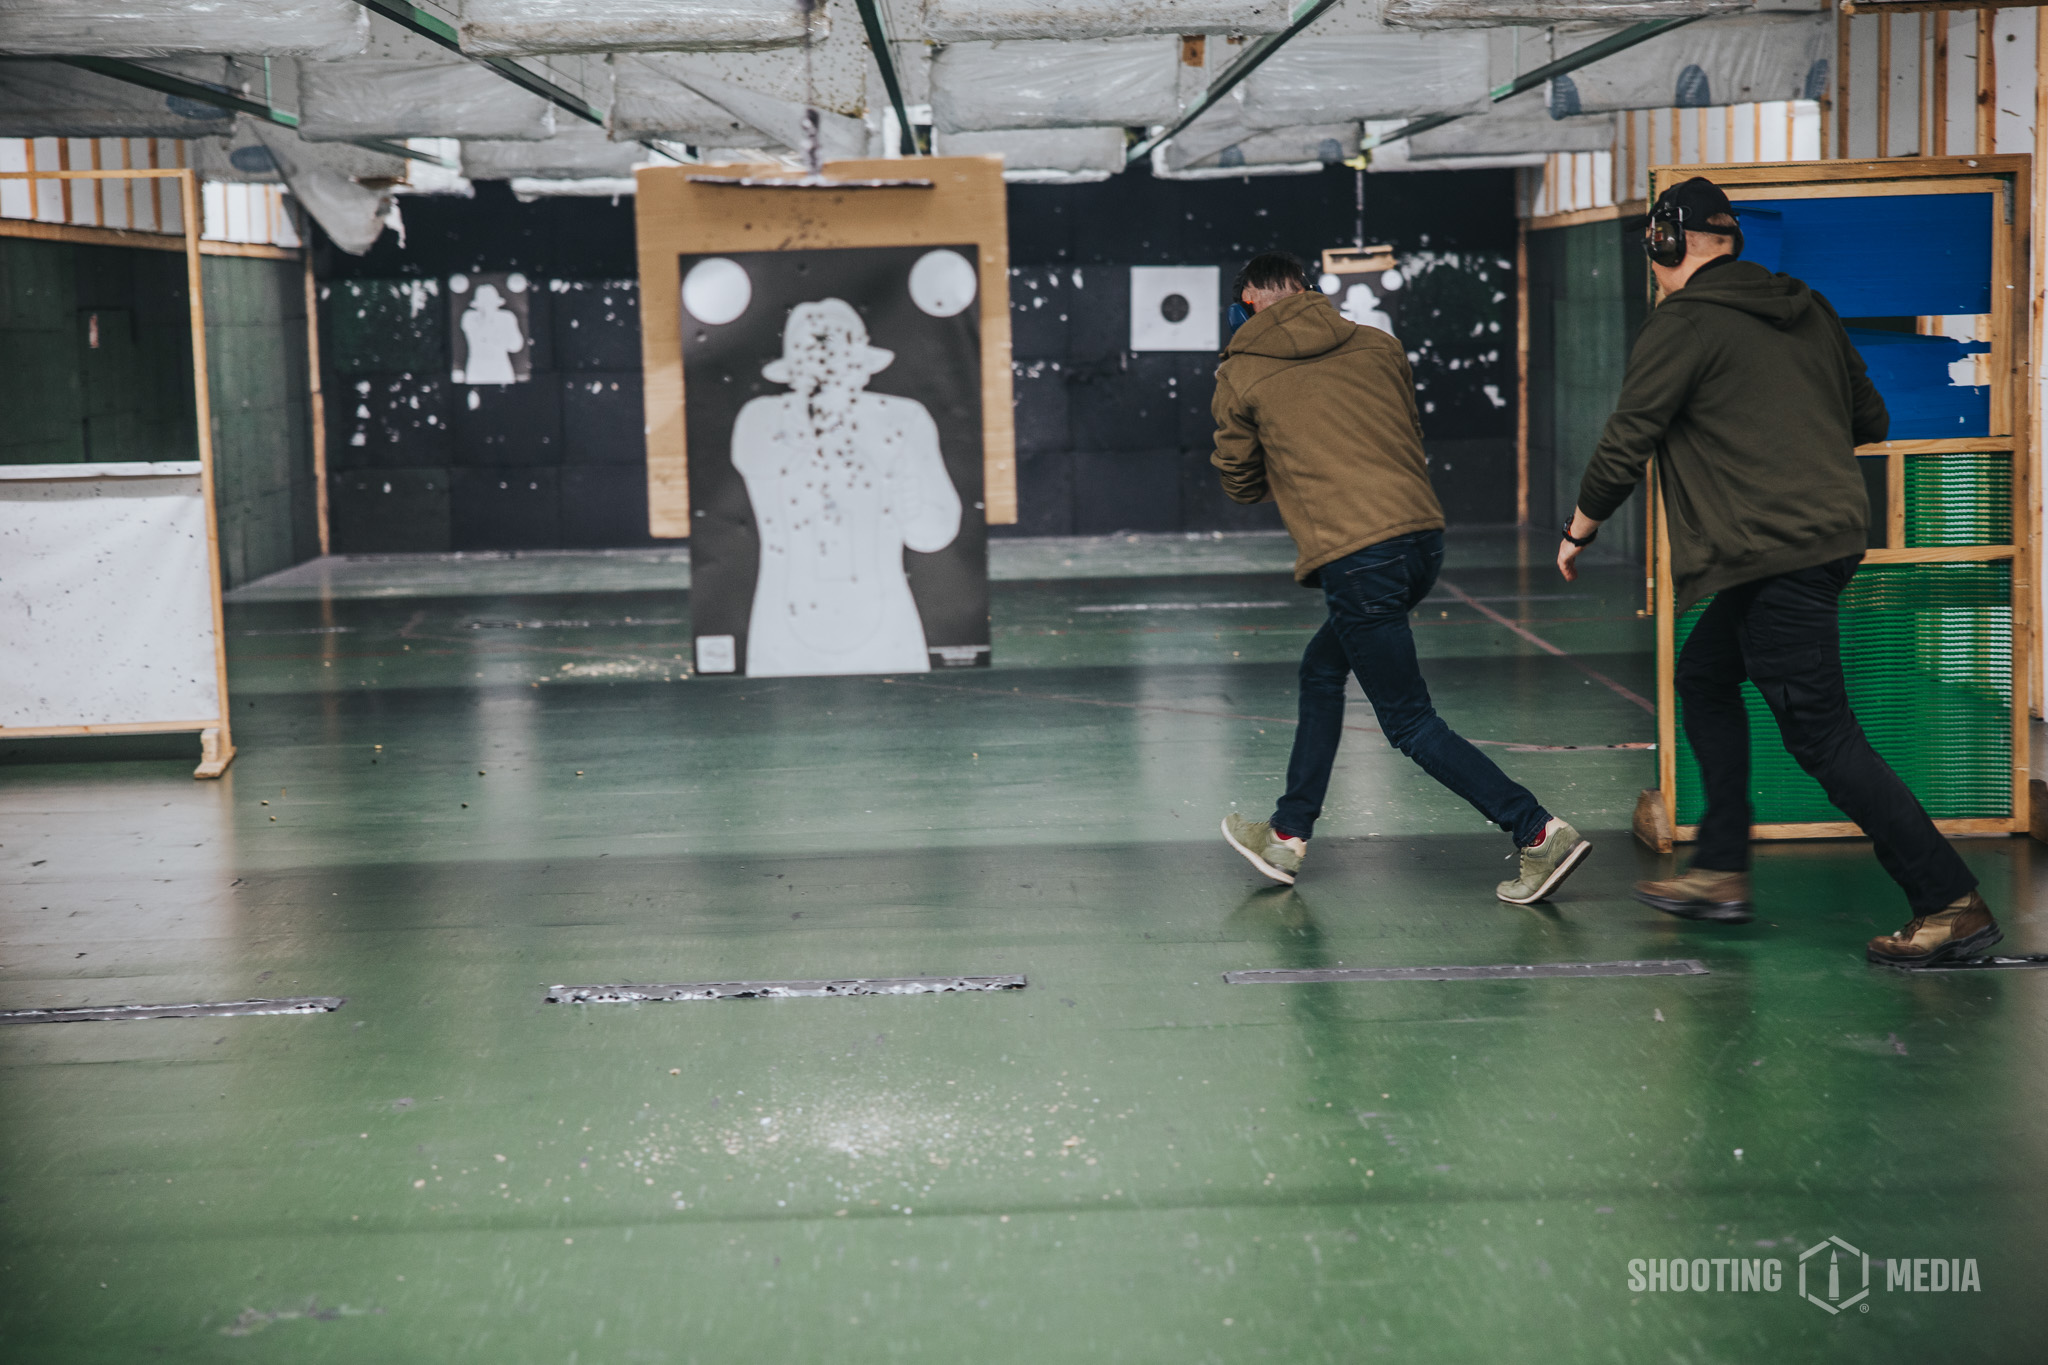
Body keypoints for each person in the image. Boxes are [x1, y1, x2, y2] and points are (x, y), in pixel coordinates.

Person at [1559, 176, 1999, 966]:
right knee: (1704, 674)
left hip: (1775, 553)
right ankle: (1722, 867)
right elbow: (1872, 419)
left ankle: (1949, 901)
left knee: (1824, 737)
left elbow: (1628, 438)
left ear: (1668, 242)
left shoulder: (1682, 323)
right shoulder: (1808, 306)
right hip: (1820, 540)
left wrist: (1579, 528)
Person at [1212, 251, 1591, 902]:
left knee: (1411, 724)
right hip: (1420, 542)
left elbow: (1240, 483)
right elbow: (1403, 433)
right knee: (1323, 668)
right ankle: (1287, 835)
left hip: (1358, 558)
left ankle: (1536, 830)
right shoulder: (1378, 344)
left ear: (1247, 300)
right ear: (1305, 289)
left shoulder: (1240, 372)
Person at [733, 298, 961, 676]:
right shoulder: (762, 419)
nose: (829, 371)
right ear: (792, 371)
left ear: (862, 366)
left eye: (839, 359)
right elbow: (761, 459)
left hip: (886, 625)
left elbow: (934, 534)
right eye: (817, 360)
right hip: (785, 630)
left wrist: (908, 495)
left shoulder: (904, 420)